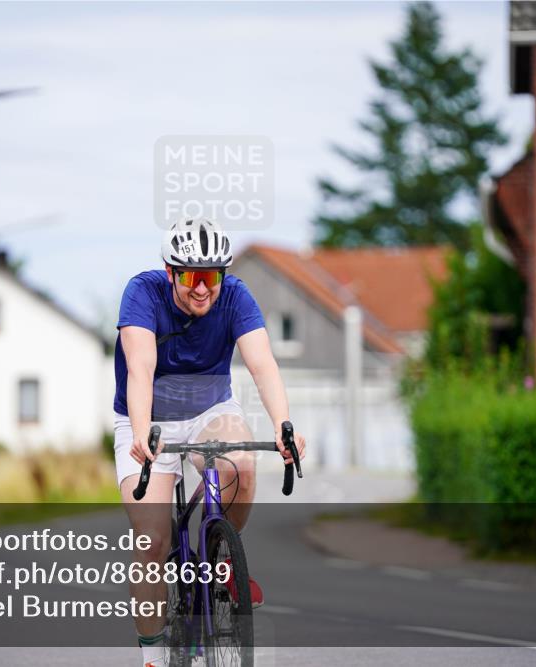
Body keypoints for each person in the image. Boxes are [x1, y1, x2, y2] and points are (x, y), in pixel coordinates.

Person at [113, 217, 307, 667]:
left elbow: (263, 365)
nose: (203, 288)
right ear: (171, 273)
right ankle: (154, 657)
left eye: (212, 276)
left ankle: (222, 559)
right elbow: (140, 367)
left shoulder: (236, 296)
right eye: (192, 277)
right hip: (147, 418)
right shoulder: (142, 294)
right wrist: (141, 431)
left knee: (239, 463)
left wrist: (283, 425)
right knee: (151, 541)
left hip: (209, 411)